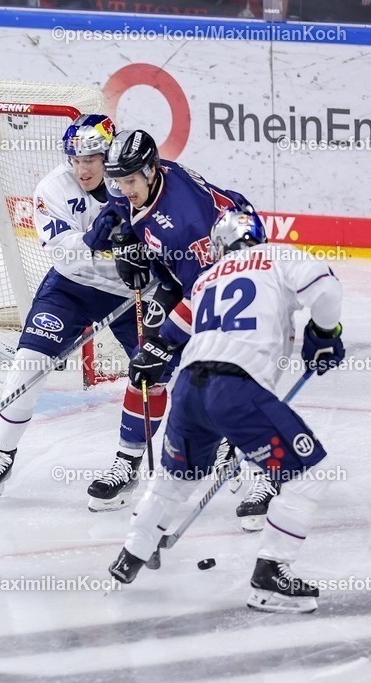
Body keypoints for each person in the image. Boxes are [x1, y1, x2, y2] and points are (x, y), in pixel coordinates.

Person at [108, 209, 344, 614]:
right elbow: (326, 292)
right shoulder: (277, 256)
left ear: (220, 247)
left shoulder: (206, 278)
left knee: (174, 479)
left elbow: (174, 329)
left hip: (188, 389)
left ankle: (131, 554)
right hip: (236, 387)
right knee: (309, 474)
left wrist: (154, 349)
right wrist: (324, 333)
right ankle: (270, 577)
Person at [0, 114, 145, 503]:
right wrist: (96, 242)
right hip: (72, 288)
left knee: (154, 374)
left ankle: (129, 462)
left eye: (92, 159)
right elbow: (64, 256)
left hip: (133, 291)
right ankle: (1, 454)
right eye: (76, 159)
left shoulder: (136, 182)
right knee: (28, 362)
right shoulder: (52, 188)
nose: (83, 169)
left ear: (109, 154)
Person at [85, 129, 256, 512]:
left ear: (150, 171)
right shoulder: (137, 178)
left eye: (130, 180)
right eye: (118, 180)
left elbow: (203, 293)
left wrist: (163, 345)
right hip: (184, 271)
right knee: (145, 371)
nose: (122, 188)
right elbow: (117, 215)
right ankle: (127, 463)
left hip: (226, 272)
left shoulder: (185, 221)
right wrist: (122, 243)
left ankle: (240, 449)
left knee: (214, 369)